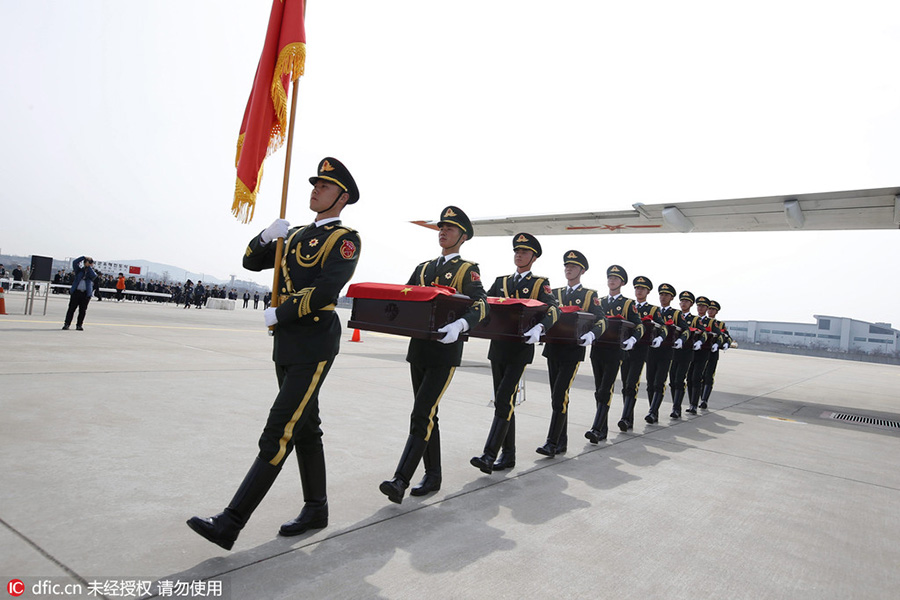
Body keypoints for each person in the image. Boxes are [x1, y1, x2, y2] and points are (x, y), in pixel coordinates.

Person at [187, 157, 361, 550]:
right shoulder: (295, 235)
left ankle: (230, 522)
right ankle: (317, 508)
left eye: (325, 186)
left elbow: (326, 291)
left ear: (342, 197)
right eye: (314, 184)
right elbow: (251, 261)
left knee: (279, 431)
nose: (315, 190)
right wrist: (267, 236)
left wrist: (279, 311)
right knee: (306, 428)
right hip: (286, 342)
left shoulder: (345, 239)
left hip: (314, 343)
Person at [379, 206, 488, 504]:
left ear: (463, 236)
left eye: (450, 228)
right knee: (428, 414)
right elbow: (408, 297)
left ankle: (401, 479)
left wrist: (462, 324)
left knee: (422, 413)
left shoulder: (467, 269)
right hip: (419, 348)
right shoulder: (424, 268)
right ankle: (434, 475)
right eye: (441, 227)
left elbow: (481, 304)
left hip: (445, 351)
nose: (443, 231)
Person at [470, 233, 559, 475]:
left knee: (503, 398)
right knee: (505, 401)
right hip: (498, 346)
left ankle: (490, 455)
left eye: (524, 252)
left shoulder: (540, 284)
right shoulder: (501, 281)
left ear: (533, 257)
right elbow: (485, 303)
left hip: (520, 349)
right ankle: (508, 455)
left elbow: (553, 309)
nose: (519, 255)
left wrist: (541, 328)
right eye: (517, 251)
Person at [536, 250, 606, 458]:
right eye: (566, 266)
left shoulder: (589, 295)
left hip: (572, 351)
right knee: (556, 397)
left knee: (560, 395)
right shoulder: (554, 293)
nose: (569, 269)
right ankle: (560, 442)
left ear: (582, 271)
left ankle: (551, 442)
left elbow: (602, 320)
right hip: (553, 349)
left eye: (573, 267)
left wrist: (593, 335)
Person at [580, 265, 644, 443]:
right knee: (598, 390)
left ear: (622, 282)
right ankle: (603, 429)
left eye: (615, 278)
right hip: (598, 349)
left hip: (615, 351)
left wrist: (632, 340)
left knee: (605, 389)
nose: (612, 281)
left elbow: (638, 325)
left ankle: (596, 428)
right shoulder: (599, 301)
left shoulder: (627, 303)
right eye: (609, 278)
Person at [616, 276, 667, 431]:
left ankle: (625, 418)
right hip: (625, 349)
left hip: (640, 350)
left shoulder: (652, 310)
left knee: (632, 383)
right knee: (625, 385)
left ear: (648, 292)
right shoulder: (628, 305)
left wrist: (660, 337)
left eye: (642, 289)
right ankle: (628, 417)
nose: (639, 291)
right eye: (637, 288)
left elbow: (663, 327)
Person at [644, 283, 690, 423]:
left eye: (666, 295)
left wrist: (681, 340)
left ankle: (653, 411)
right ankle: (653, 410)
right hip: (651, 350)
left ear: (671, 298)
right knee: (650, 383)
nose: (663, 297)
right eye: (661, 294)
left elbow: (686, 330)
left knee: (659, 382)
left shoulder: (675, 313)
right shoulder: (653, 310)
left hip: (666, 351)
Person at [668, 291, 704, 418]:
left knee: (679, 379)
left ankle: (677, 408)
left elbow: (703, 333)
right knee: (672, 380)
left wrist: (699, 341)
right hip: (673, 352)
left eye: (687, 301)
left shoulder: (694, 319)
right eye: (682, 301)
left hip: (686, 352)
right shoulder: (674, 315)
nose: (684, 303)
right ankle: (675, 404)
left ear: (691, 304)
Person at [686, 296, 721, 414]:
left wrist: (718, 344)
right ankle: (691, 402)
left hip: (704, 353)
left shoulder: (711, 322)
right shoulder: (692, 319)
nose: (700, 308)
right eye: (699, 305)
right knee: (689, 378)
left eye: (703, 306)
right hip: (690, 352)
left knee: (697, 377)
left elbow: (720, 335)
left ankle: (695, 404)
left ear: (707, 308)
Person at [699, 300, 732, 409]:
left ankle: (704, 399)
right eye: (709, 308)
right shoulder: (700, 320)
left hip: (712, 353)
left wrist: (726, 344)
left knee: (709, 376)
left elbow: (727, 337)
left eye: (713, 309)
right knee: (699, 375)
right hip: (700, 351)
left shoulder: (720, 324)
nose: (710, 311)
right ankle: (698, 398)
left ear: (716, 312)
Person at [62, 256, 97, 331]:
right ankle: (67, 324)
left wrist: (89, 267)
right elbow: (74, 262)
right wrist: (83, 257)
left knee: (82, 310)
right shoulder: (79, 271)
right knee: (71, 309)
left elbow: (94, 276)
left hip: (85, 294)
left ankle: (79, 325)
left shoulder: (92, 272)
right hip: (76, 292)